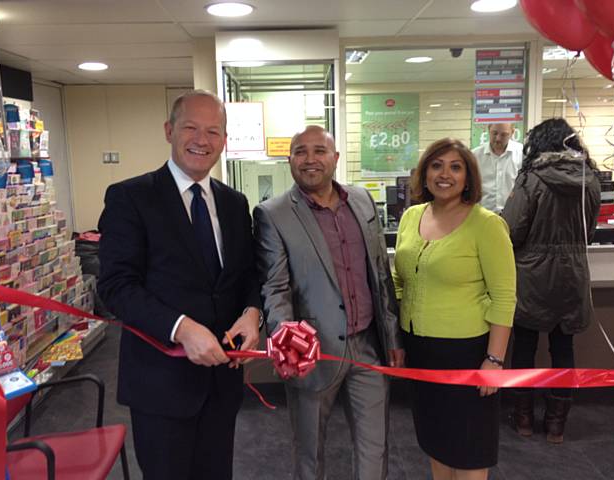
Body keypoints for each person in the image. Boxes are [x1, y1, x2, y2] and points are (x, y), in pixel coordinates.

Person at [97, 90, 262, 480]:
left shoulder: (234, 203)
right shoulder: (130, 197)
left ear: (224, 141)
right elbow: (116, 286)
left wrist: (253, 313)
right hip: (161, 384)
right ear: (169, 130)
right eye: (190, 127)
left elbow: (247, 274)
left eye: (213, 131)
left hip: (222, 382)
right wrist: (181, 328)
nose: (201, 140)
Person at [254, 125, 404, 480]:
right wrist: (287, 337)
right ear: (289, 160)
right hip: (314, 354)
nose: (310, 160)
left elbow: (380, 273)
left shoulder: (362, 200)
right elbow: (275, 287)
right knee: (309, 455)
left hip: (368, 347)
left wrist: (393, 337)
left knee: (374, 449)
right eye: (300, 152)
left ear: (335, 158)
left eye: (319, 151)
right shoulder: (272, 213)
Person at [393, 138, 516, 480]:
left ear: (468, 177)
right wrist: (400, 342)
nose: (444, 174)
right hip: (420, 351)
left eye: (455, 167)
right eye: (436, 165)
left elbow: (505, 297)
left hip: (467, 353)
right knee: (435, 442)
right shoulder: (411, 217)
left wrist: (494, 360)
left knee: (468, 449)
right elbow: (400, 280)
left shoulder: (486, 224)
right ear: (425, 173)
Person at [502, 118, 601, 444]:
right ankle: (557, 425)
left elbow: (512, 230)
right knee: (563, 348)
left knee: (525, 347)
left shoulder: (531, 179)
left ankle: (524, 417)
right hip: (573, 275)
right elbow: (588, 232)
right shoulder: (590, 179)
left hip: (532, 275)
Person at [472, 122, 523, 213]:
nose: (498, 138)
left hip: (514, 214)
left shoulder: (522, 154)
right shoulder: (475, 155)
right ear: (489, 130)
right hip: (484, 214)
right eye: (494, 133)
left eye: (504, 134)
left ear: (512, 133)